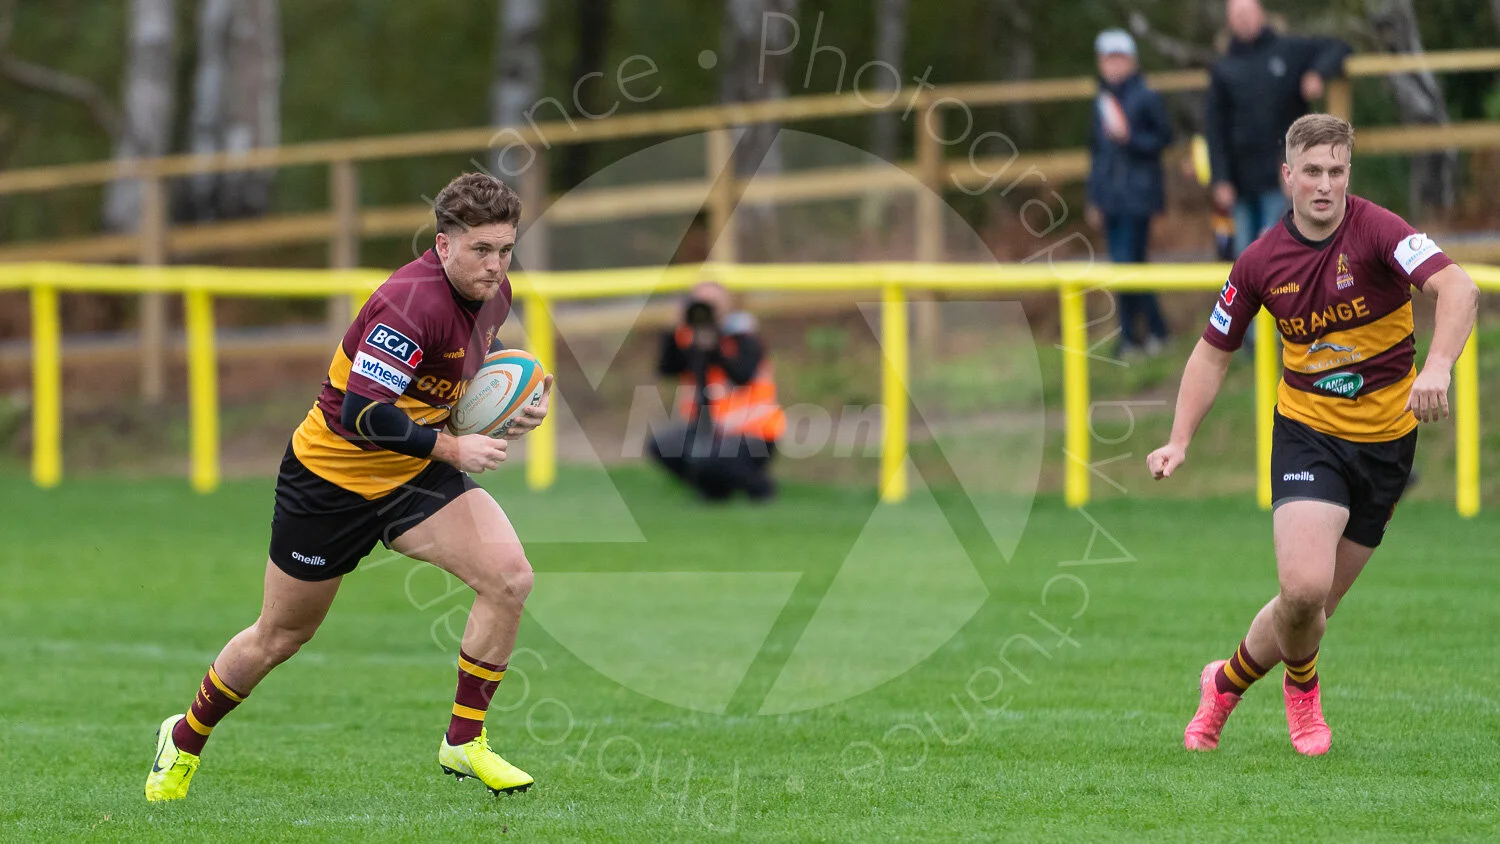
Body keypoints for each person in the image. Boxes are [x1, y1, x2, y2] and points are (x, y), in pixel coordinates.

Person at [145, 173, 554, 801]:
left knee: (509, 578)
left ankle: (464, 740)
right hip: (328, 482)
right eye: (481, 250)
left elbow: (448, 393)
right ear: (444, 244)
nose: (496, 266)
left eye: (505, 250)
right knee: (281, 637)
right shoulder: (409, 304)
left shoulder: (493, 296)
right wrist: (454, 446)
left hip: (412, 476)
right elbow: (363, 413)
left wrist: (508, 411)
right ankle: (184, 736)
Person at [1147, 114, 1478, 756]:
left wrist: (1438, 366)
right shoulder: (1259, 261)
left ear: (1348, 174)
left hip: (1387, 444)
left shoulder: (1380, 230)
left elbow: (1457, 287)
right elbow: (1213, 352)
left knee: (1308, 609)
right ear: (1287, 176)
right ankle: (1303, 693)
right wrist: (1179, 439)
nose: (1325, 185)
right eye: (1313, 172)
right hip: (1309, 434)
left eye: (1336, 171)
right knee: (1302, 588)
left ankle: (1223, 683)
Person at [1206, 0, 1351, 257]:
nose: (1244, 19)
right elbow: (1215, 128)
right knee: (1245, 258)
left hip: (1283, 176)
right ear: (1229, 21)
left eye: (1248, 12)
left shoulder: (1289, 50)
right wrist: (1221, 178)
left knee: (1282, 254)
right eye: (1237, 14)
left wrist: (1317, 73)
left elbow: (1339, 47)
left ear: (1260, 13)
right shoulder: (1223, 68)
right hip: (1240, 182)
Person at [646, 282, 785, 501]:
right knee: (663, 446)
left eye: (712, 303)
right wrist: (674, 330)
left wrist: (715, 346)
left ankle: (760, 488)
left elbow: (742, 375)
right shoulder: (689, 339)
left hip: (753, 432)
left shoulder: (743, 335)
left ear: (727, 305)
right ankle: (714, 491)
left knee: (707, 456)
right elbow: (667, 369)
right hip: (710, 429)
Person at [1086, 28, 1173, 358]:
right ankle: (1147, 333)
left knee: (1128, 265)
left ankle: (1133, 337)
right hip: (1111, 197)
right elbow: (1097, 154)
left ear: (1131, 61)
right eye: (1107, 59)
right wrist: (1094, 198)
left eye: (1118, 58)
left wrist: (1130, 138)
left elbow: (1163, 139)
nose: (1113, 65)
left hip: (1138, 195)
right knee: (1127, 265)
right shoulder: (1102, 101)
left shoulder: (1146, 95)